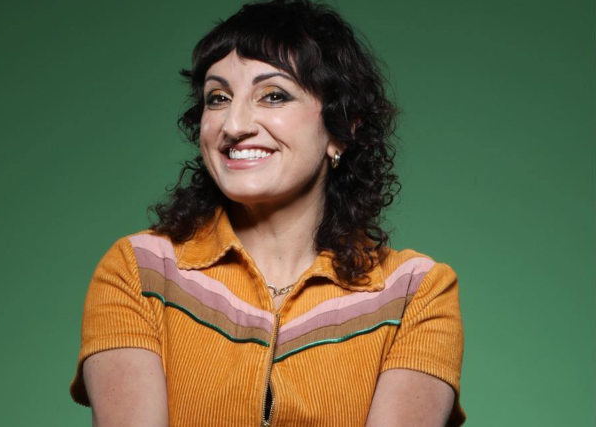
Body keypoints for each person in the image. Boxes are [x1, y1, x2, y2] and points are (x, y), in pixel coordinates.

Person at [69, 0, 466, 426]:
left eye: (274, 96)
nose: (234, 125)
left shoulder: (415, 294)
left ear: (343, 127)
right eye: (218, 98)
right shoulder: (139, 272)